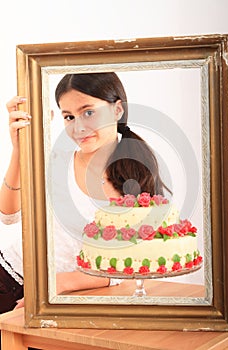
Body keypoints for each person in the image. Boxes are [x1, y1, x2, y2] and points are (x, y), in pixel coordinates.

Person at [0, 72, 171, 315]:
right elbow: (8, 215)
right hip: (11, 279)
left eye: (88, 112)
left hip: (75, 296)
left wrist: (62, 282)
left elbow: (128, 261)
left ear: (117, 110)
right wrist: (20, 151)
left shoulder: (138, 169)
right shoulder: (54, 160)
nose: (78, 127)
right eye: (69, 116)